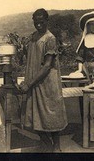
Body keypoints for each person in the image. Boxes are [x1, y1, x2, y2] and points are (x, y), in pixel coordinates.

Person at [19, 8, 67, 152]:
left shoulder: (50, 39)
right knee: (36, 114)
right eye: (36, 22)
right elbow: (31, 60)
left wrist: (29, 83)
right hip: (35, 80)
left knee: (52, 114)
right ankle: (48, 145)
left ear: (47, 21)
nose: (38, 25)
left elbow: (46, 66)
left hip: (47, 82)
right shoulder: (33, 37)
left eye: (41, 22)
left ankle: (56, 147)